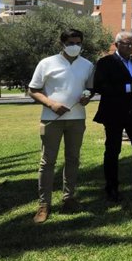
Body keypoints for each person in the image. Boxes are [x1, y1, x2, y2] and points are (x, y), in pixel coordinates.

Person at [28, 28, 94, 223]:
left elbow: (89, 90)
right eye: (71, 43)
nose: (75, 46)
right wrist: (51, 104)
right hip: (51, 119)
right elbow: (33, 90)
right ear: (62, 44)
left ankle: (69, 198)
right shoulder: (47, 63)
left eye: (79, 43)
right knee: (47, 162)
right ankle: (44, 205)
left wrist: (86, 98)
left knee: (73, 159)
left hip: (77, 119)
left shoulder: (88, 65)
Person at [93, 31, 132, 202]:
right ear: (116, 44)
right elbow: (100, 87)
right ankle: (112, 187)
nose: (130, 47)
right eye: (126, 44)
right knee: (113, 150)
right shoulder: (105, 62)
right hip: (113, 113)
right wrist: (130, 88)